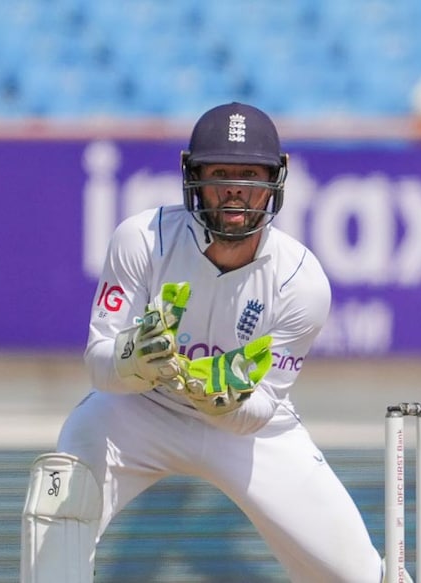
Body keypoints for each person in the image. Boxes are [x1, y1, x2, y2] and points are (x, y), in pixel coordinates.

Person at [21, 102, 397, 582]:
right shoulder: (143, 239)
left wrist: (223, 400)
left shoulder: (301, 282)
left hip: (248, 434)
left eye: (250, 174)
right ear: (194, 178)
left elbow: (260, 409)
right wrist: (135, 359)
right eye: (220, 172)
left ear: (275, 181)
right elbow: (99, 365)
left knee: (361, 574)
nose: (236, 188)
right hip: (139, 410)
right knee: (58, 504)